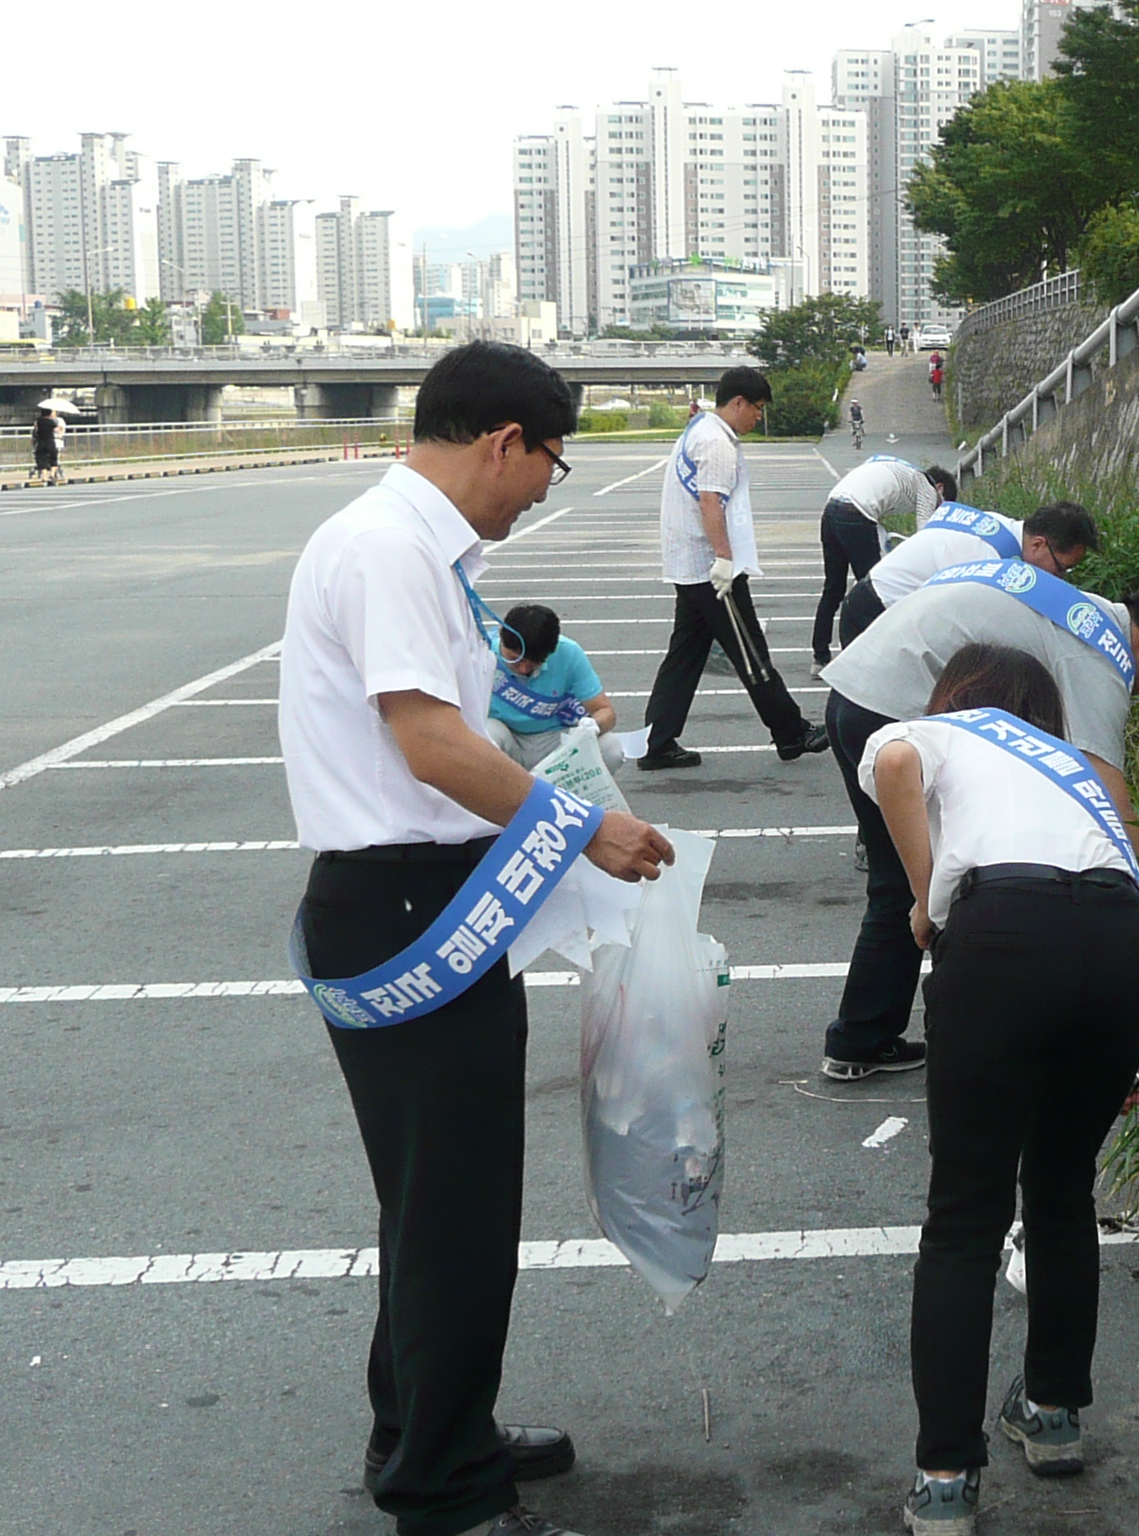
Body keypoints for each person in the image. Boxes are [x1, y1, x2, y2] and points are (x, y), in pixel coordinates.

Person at [280, 340, 674, 1536]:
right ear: (505, 440)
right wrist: (586, 824)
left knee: (430, 1201)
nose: (547, 486)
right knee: (451, 1209)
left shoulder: (409, 546)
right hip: (404, 904)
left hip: (414, 894)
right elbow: (432, 745)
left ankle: (424, 1425)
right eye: (550, 462)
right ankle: (444, 1489)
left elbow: (458, 740)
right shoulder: (391, 548)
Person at [866, 645, 1139, 1536]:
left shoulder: (943, 730)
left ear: (956, 694)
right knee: (1063, 1186)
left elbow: (892, 760)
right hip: (1120, 941)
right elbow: (1136, 849)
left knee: (964, 1213)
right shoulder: (1074, 764)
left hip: (1004, 936)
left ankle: (947, 1475)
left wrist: (926, 902)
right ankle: (1055, 1412)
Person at [817, 572, 1139, 1081]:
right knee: (926, 891)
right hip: (889, 711)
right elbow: (1106, 791)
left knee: (902, 887)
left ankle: (866, 1036)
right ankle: (936, 1046)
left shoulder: (1083, 614)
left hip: (857, 691)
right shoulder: (1096, 655)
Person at [641, 366, 829, 770]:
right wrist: (725, 560)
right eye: (757, 409)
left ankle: (657, 741)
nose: (758, 418)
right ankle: (791, 732)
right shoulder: (716, 442)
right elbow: (710, 501)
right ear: (738, 403)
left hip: (688, 564)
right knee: (751, 653)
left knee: (685, 655)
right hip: (711, 569)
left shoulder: (699, 429)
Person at [838, 500, 1099, 652]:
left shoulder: (1003, 530)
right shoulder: (990, 557)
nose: (1060, 578)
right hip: (874, 615)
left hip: (882, 609)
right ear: (1038, 544)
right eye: (1061, 568)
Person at [809, 457, 958, 678]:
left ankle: (819, 658)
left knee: (833, 588)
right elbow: (926, 538)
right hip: (857, 513)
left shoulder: (903, 470)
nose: (937, 510)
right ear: (940, 488)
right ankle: (866, 658)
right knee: (873, 592)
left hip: (831, 509)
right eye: (940, 506)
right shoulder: (927, 488)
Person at [484, 603, 628, 773]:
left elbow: (605, 710)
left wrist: (593, 725)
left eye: (533, 663)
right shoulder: (484, 652)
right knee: (486, 734)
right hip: (507, 739)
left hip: (555, 740)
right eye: (514, 659)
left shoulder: (569, 652)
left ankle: (572, 796)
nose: (523, 669)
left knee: (611, 748)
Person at [31, 407, 61, 486]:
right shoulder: (51, 422)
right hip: (50, 442)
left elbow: (35, 429)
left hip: (40, 443)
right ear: (50, 413)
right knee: (53, 458)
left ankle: (44, 477)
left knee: (41, 459)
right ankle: (52, 474)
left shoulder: (38, 421)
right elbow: (57, 430)